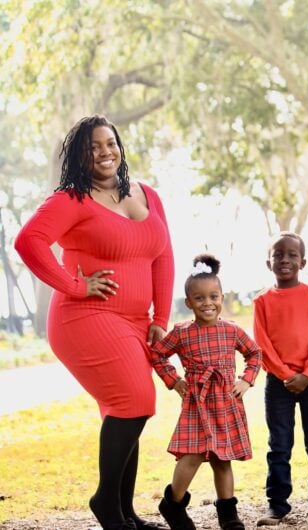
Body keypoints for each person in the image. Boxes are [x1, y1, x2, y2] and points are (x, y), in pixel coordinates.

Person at [14, 115, 174, 530]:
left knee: (127, 409)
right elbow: (28, 241)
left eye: (110, 143)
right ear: (80, 156)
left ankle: (126, 513)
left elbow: (163, 256)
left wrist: (161, 316)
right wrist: (74, 285)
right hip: (86, 317)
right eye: (93, 147)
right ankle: (106, 504)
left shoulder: (147, 194)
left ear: (119, 146)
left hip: (137, 321)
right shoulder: (71, 199)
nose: (104, 152)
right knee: (135, 401)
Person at [149, 254, 262, 530]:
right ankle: (173, 506)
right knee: (192, 456)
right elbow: (158, 354)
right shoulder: (182, 333)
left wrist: (246, 381)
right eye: (199, 298)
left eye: (213, 296)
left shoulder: (231, 330)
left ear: (222, 297)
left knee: (223, 459)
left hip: (225, 402)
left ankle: (228, 515)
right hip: (196, 404)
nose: (207, 303)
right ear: (189, 302)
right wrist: (174, 381)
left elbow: (255, 354)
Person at [253, 232, 308, 526]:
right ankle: (277, 505)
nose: (284, 260)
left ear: (303, 261)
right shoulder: (262, 300)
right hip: (278, 384)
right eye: (278, 255)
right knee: (279, 445)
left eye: (291, 255)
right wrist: (287, 375)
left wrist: (307, 374)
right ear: (268, 262)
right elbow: (262, 345)